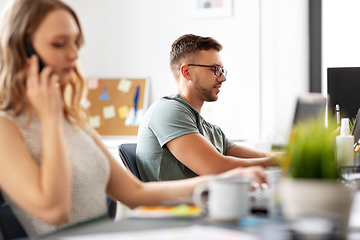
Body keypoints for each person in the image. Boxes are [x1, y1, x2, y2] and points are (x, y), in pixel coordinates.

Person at [0, 0, 267, 238]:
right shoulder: (6, 126)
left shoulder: (72, 119)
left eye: (76, 43)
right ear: (23, 50)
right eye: (59, 43)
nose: (73, 54)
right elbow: (54, 210)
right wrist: (49, 119)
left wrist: (228, 180)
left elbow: (136, 194)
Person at [137, 34, 278, 182]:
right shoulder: (167, 111)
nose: (223, 78)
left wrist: (286, 157)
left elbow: (261, 157)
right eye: (215, 69)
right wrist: (279, 162)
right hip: (179, 206)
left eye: (222, 70)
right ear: (187, 72)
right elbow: (217, 169)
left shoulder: (211, 130)